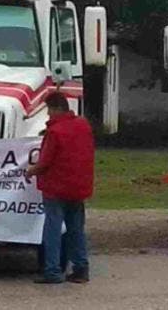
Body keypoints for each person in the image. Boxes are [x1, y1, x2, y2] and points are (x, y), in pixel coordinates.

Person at [26, 92, 95, 284]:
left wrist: (31, 171)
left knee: (53, 230)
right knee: (76, 229)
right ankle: (81, 269)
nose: (48, 115)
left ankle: (52, 271)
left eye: (49, 110)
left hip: (56, 188)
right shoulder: (83, 126)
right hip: (79, 186)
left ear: (55, 108)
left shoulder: (55, 132)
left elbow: (45, 162)